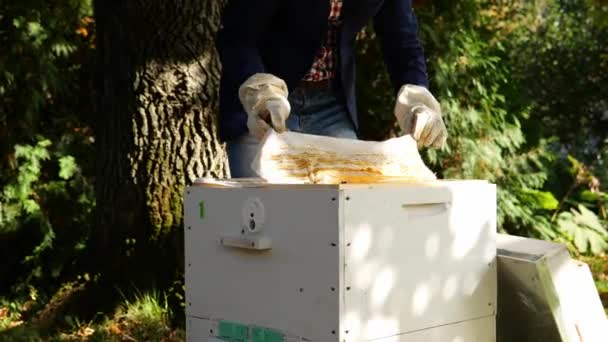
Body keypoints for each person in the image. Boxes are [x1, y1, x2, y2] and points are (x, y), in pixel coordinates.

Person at [216, 0, 447, 178]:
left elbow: (402, 41)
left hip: (332, 106)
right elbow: (237, 36)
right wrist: (261, 93)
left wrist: (418, 98)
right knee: (265, 221)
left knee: (348, 217)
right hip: (266, 109)